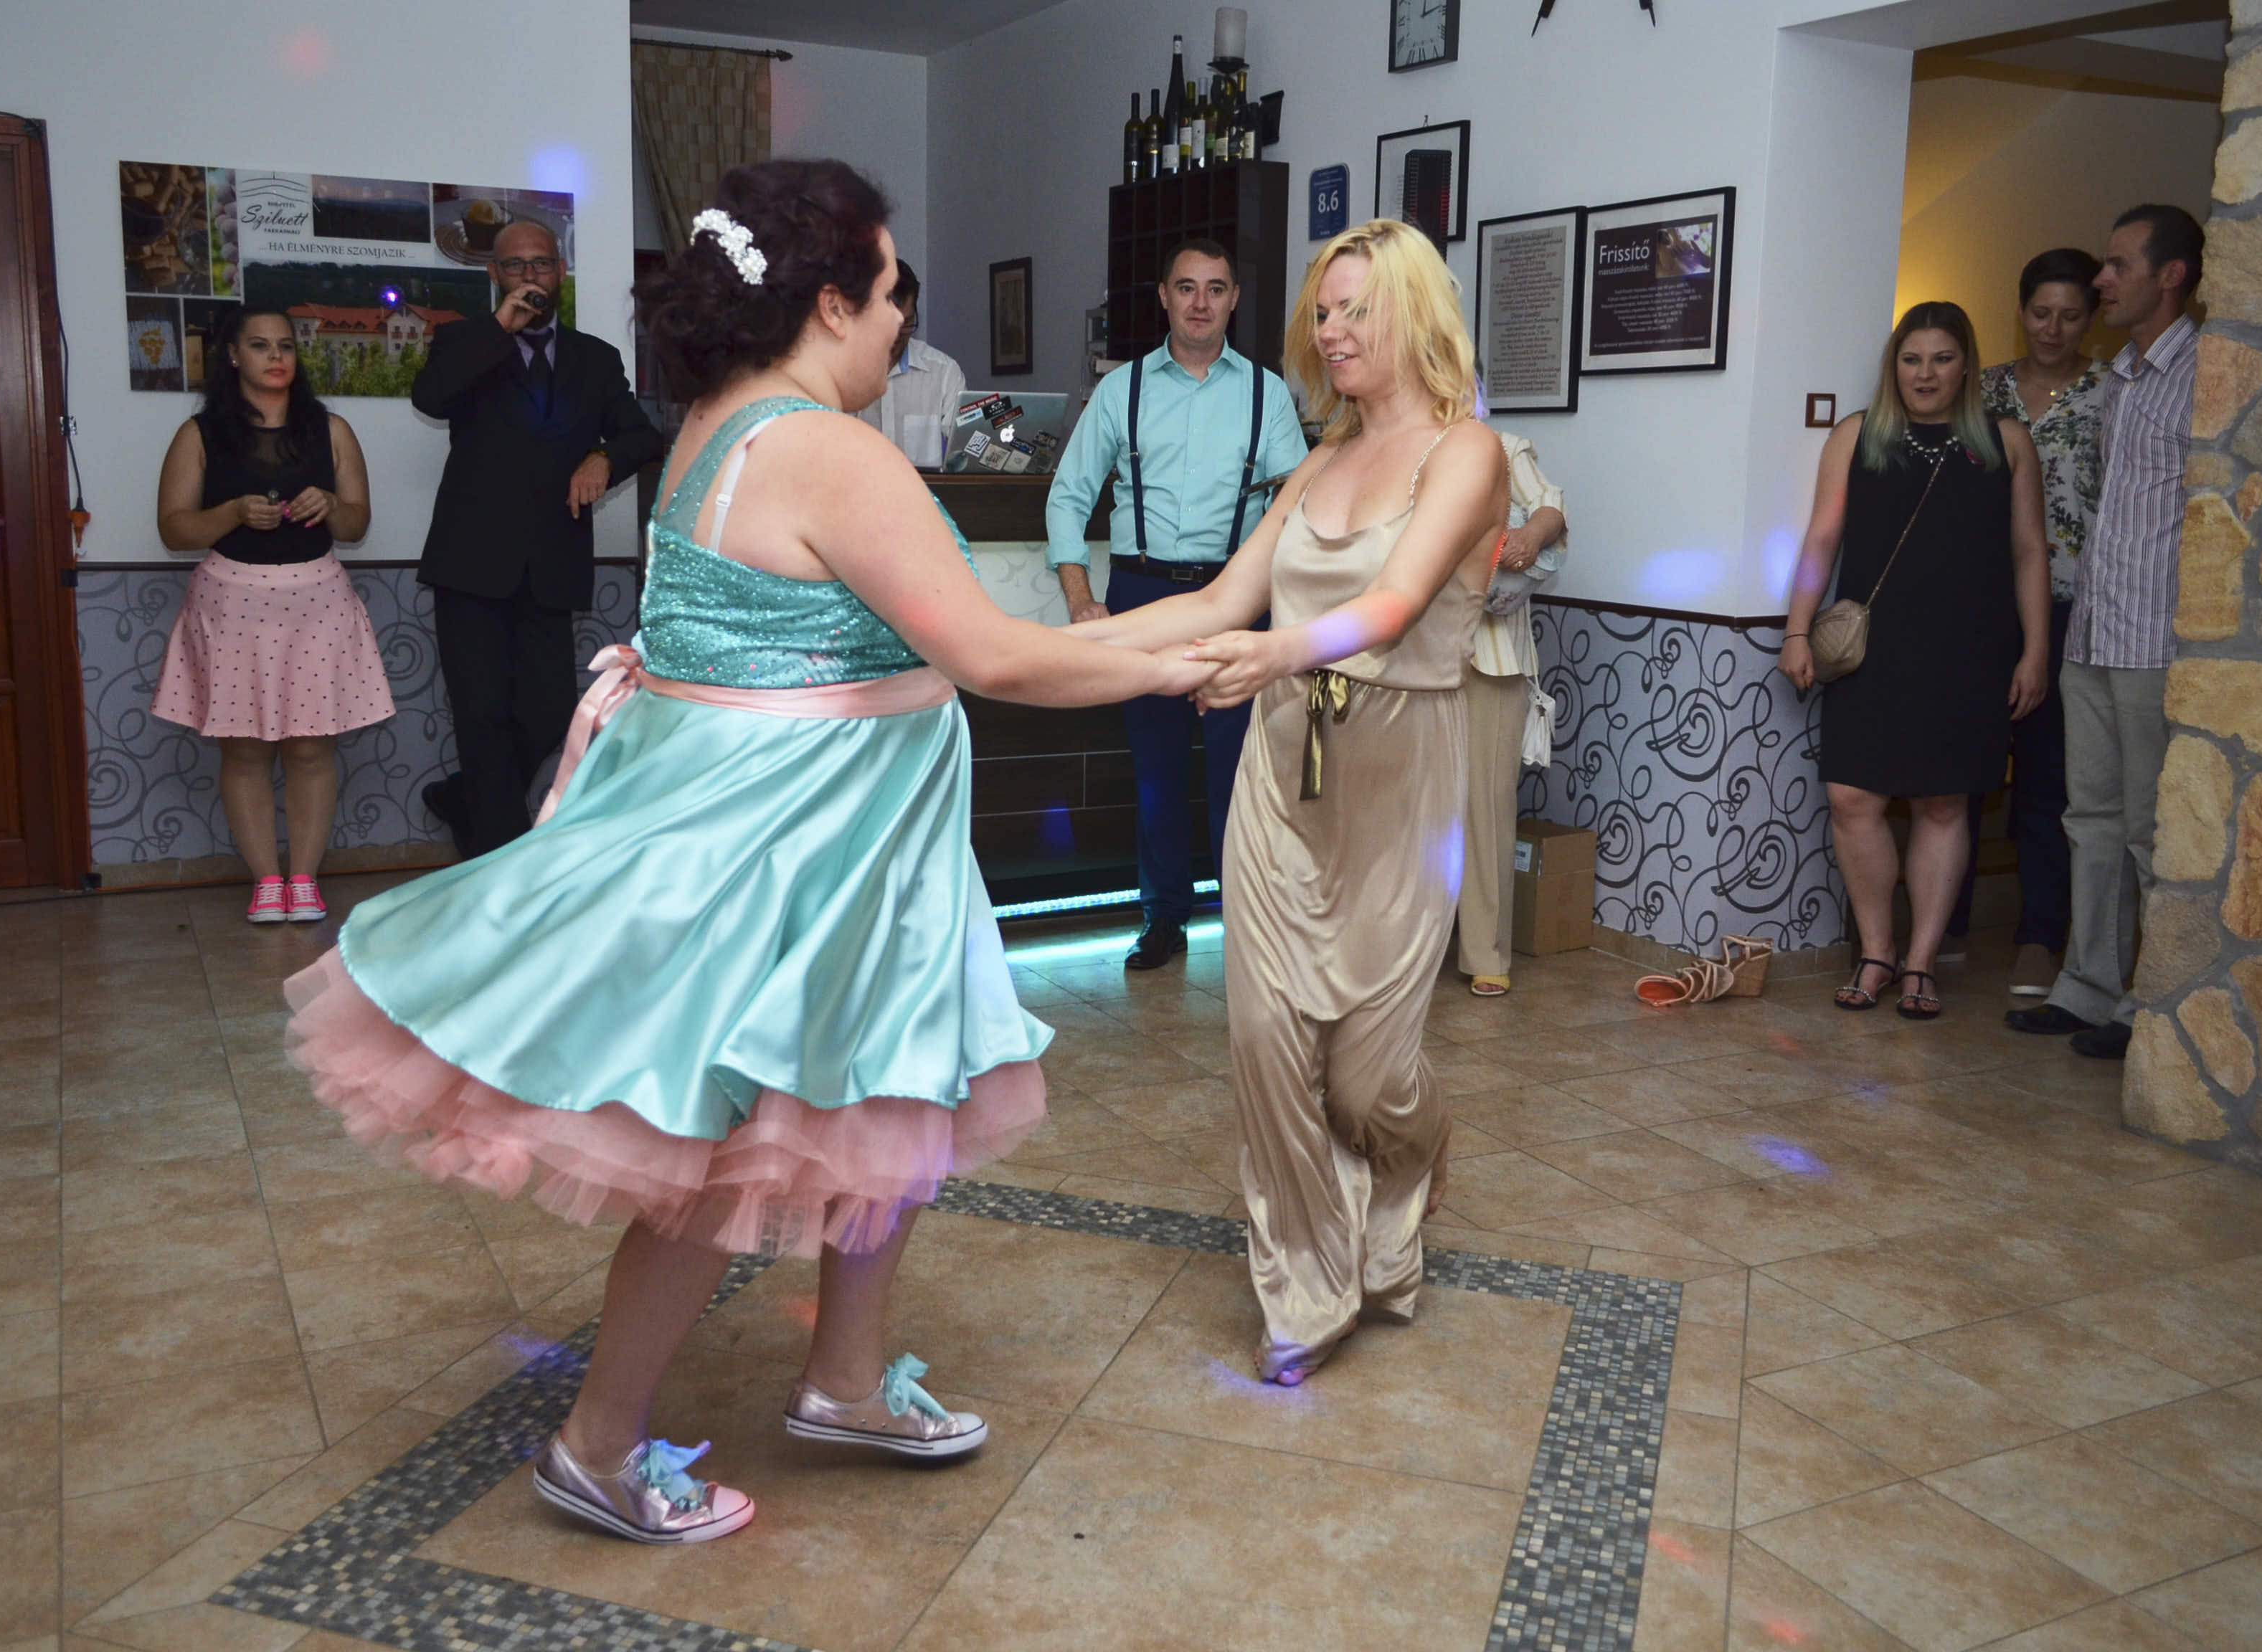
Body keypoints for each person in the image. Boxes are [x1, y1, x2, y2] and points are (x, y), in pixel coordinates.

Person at [282, 158, 1211, 1545]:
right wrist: (1179, 658)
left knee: (884, 1101)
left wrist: (1196, 619)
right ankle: (598, 1445)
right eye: (888, 296)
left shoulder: (715, 424)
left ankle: (845, 1378)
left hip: (841, 844)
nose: (898, 321)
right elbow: (995, 653)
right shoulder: (829, 449)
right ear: (829, 303)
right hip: (799, 850)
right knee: (719, 1149)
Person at [1069, 219, 1507, 1383]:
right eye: (1322, 310)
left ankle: (1412, 1153)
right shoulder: (1315, 462)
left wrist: (1276, 651)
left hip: (1397, 784)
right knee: (1266, 1046)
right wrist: (1045, 647)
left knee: (1370, 1079)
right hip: (1279, 778)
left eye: (1356, 309)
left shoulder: (1465, 454)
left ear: (1412, 315)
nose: (1331, 330)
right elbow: (1218, 598)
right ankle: (1305, 1288)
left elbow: (1394, 605)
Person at [1779, 302, 2050, 1020]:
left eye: (1940, 358)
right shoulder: (1856, 435)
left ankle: (1921, 961)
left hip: (1969, 649)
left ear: (1965, 366)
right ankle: (1876, 952)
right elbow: (1820, 540)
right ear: (1892, 366)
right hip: (1872, 647)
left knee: (1943, 801)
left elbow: (2029, 551)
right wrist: (1796, 631)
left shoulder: (2005, 441)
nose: (1924, 374)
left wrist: (2035, 651)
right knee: (1851, 797)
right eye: (1911, 359)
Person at [1045, 237, 1310, 969]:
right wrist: (1081, 598)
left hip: (1234, 596)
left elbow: (1298, 507)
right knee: (1156, 772)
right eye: (1186, 287)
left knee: (1237, 770)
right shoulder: (1120, 390)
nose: (1200, 302)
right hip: (1141, 596)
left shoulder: (1265, 393)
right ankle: (1163, 919)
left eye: (1215, 288)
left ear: (1233, 300)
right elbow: (1067, 497)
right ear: (1163, 296)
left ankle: (1244, 925)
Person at [2007, 204, 2205, 1059]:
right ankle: (2085, 989)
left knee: (2148, 832)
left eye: (2118, 265)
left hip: (2155, 641)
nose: (2100, 280)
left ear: (2170, 276)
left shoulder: (2204, 370)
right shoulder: (2120, 375)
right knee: (2086, 818)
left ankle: (2146, 1006)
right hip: (2088, 632)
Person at [412, 217, 665, 858]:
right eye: (516, 266)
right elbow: (432, 398)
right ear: (494, 274)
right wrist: (500, 327)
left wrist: (604, 457)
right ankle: (500, 859)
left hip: (552, 562)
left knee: (549, 712)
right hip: (470, 563)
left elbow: (642, 435)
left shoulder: (594, 358)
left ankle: (463, 799)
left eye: (542, 264)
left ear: (561, 272)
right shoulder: (465, 341)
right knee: (482, 715)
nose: (531, 276)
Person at [152, 305, 392, 923]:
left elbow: (357, 524)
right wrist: (231, 513)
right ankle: (266, 882)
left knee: (311, 749)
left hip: (317, 601)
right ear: (234, 356)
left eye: (285, 345)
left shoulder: (331, 430)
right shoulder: (200, 434)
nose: (277, 356)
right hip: (231, 604)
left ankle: (304, 880)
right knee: (245, 752)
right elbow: (175, 530)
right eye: (260, 345)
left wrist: (332, 505)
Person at [1951, 249, 2107, 997]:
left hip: (2071, 607)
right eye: (2040, 312)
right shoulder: (1978, 392)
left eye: (2070, 315)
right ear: (2019, 312)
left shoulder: (2110, 393)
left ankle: (2039, 938)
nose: (2052, 328)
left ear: (2091, 320)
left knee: (2048, 782)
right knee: (1957, 771)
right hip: (1978, 606)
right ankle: (1944, 926)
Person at [1457, 434, 1568, 997]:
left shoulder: (1502, 448)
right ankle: (1401, 950)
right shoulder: (1390, 447)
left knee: (1485, 810)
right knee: (1399, 811)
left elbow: (1550, 506)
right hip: (1404, 654)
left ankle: (1485, 953)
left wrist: (1527, 536)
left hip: (1492, 657)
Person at [854, 257, 966, 466]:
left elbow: (964, 453)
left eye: (906, 323)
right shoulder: (836, 370)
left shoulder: (943, 373)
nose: (896, 336)